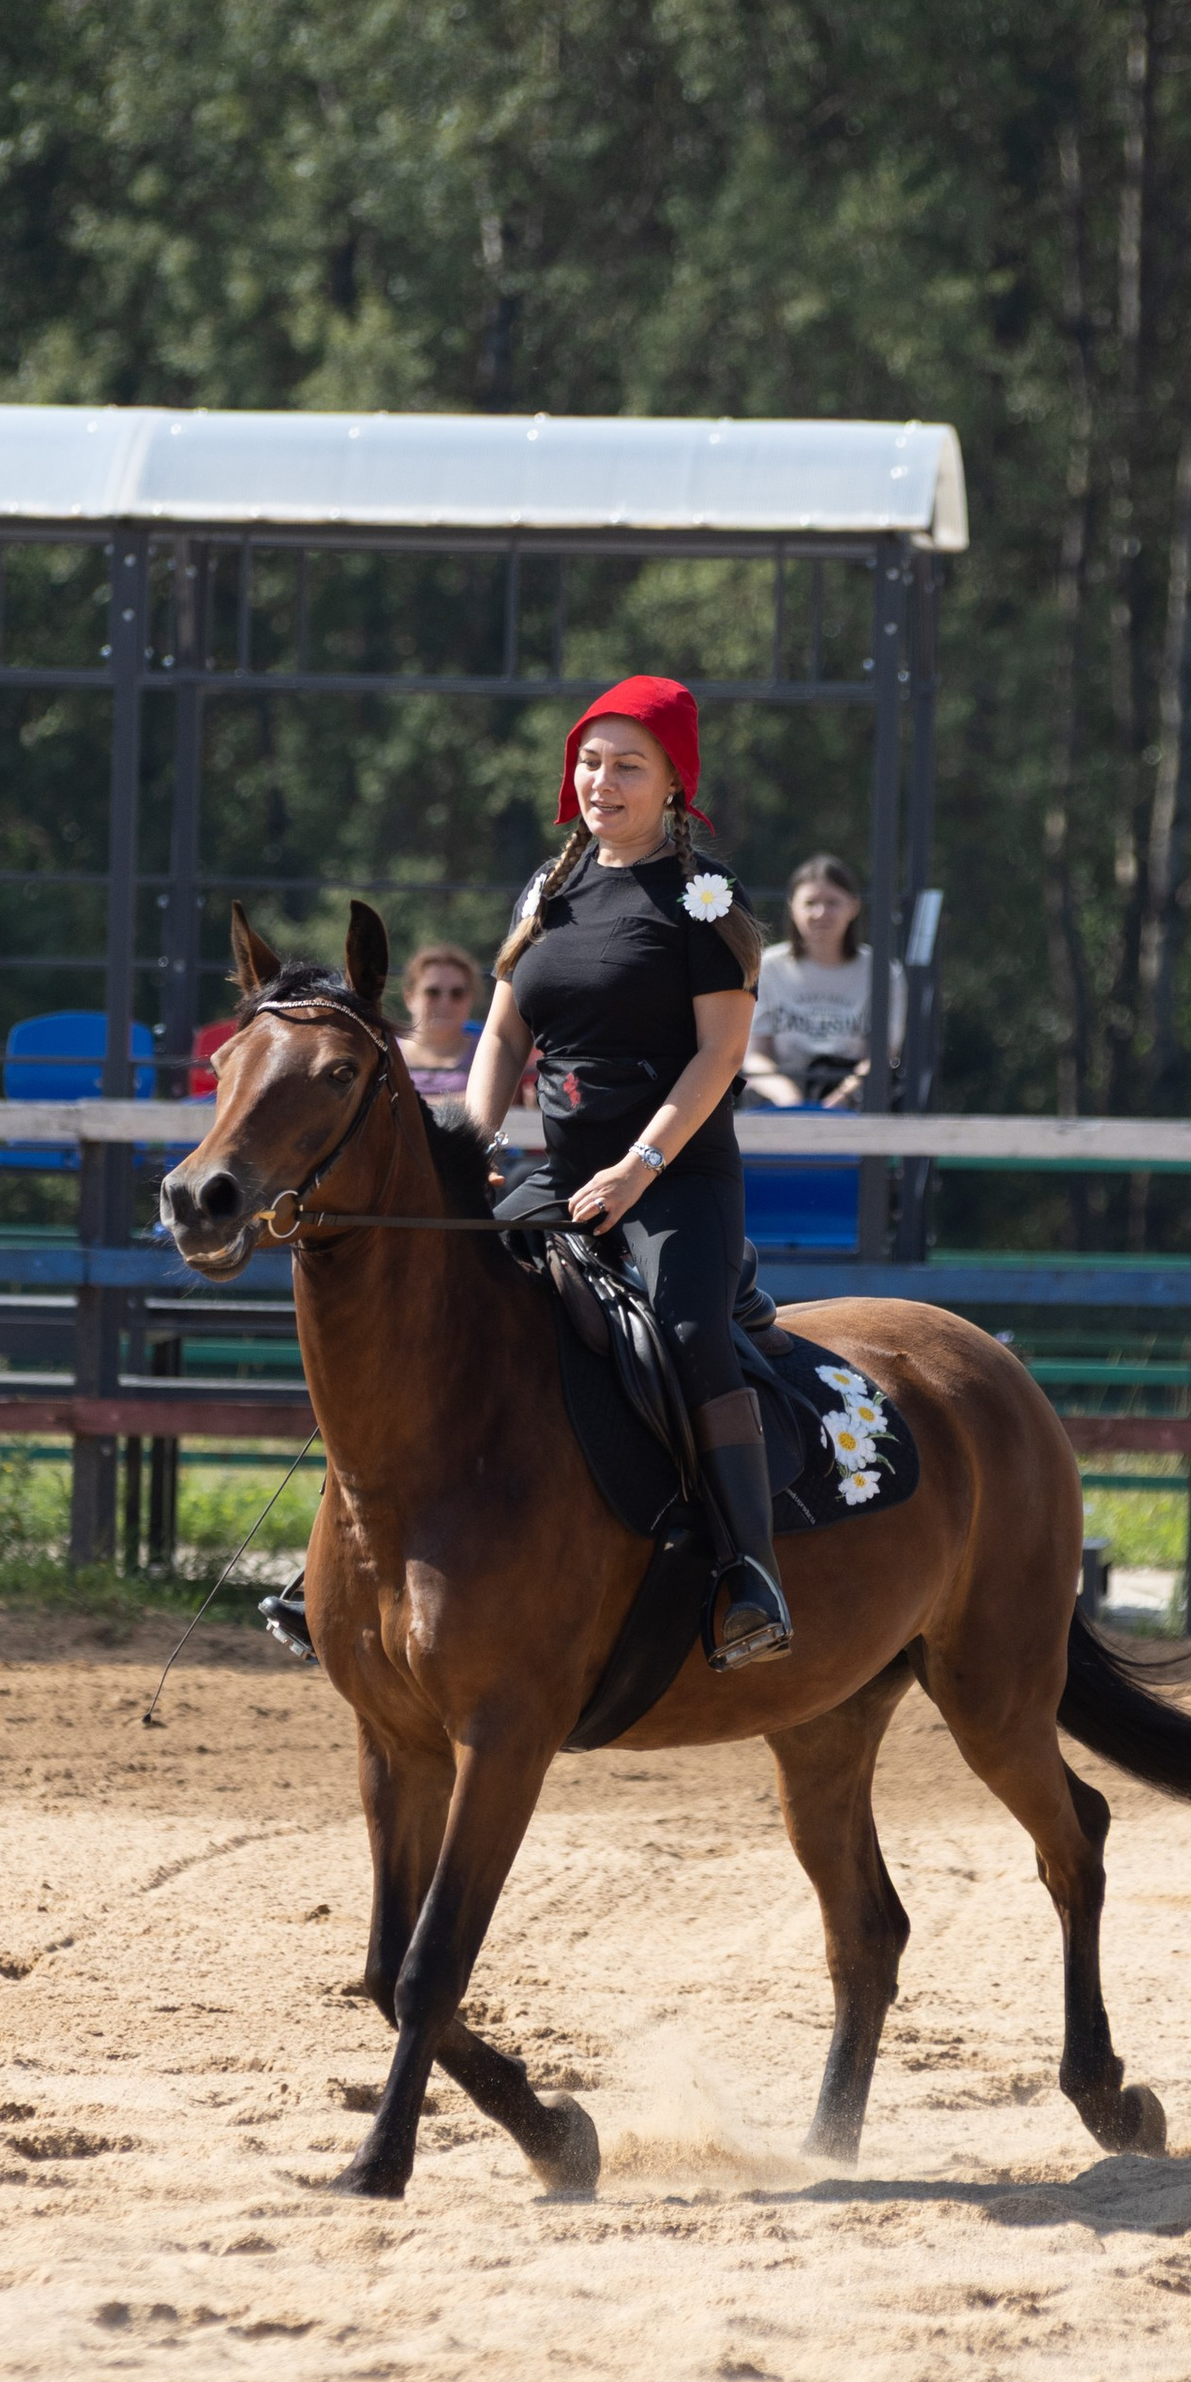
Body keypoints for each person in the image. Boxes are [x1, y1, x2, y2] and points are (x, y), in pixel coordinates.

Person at [465, 672, 789, 1672]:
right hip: (554, 1176)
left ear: (672, 783)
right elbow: (502, 1029)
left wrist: (641, 1166)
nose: (601, 780)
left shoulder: (705, 898)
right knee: (431, 1299)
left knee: (689, 1332)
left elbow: (718, 1057)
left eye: (627, 765)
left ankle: (750, 1574)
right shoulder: (547, 888)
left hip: (675, 1179)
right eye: (589, 760)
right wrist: (471, 1145)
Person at [744, 853, 900, 1106]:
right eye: (810, 903)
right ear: (792, 906)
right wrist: (788, 1098)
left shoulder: (884, 972)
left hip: (854, 1093)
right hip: (781, 1087)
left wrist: (840, 1099)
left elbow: (882, 1056)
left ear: (854, 907)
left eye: (832, 903)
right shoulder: (767, 967)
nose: (821, 913)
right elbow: (754, 1055)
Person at [396, 943, 484, 1099]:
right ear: (409, 998)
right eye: (432, 992)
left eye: (457, 993)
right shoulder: (387, 1052)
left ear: (470, 999)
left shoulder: (488, 1052)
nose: (445, 1003)